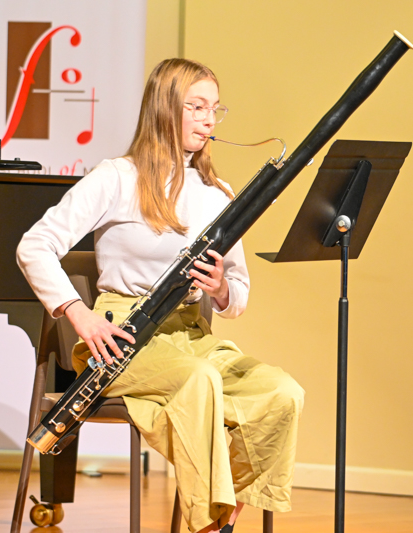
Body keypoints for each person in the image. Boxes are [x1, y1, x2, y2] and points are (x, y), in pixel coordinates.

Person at [17, 58, 304, 533]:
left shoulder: (217, 192)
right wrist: (79, 315)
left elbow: (239, 295)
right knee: (199, 380)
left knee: (280, 391)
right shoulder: (117, 177)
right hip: (120, 338)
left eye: (215, 109)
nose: (209, 121)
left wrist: (220, 287)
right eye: (196, 107)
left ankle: (224, 517)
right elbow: (35, 245)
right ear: (165, 109)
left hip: (190, 335)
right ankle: (206, 523)